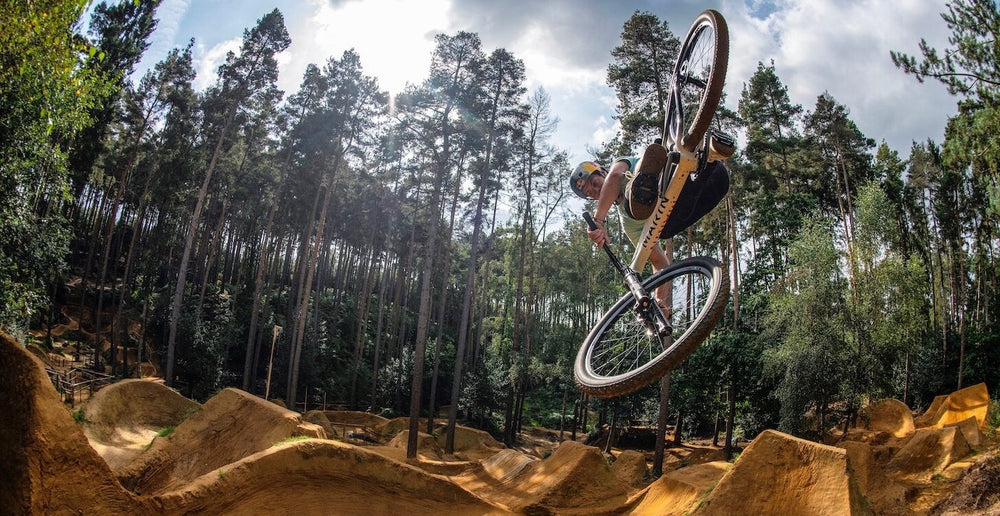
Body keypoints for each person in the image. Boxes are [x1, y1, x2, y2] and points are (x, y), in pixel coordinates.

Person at [568, 138, 731, 303]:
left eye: (595, 183)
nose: (596, 191)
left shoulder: (621, 166)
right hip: (710, 190)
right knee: (662, 230)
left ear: (603, 172)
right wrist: (661, 301)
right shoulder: (628, 224)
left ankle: (647, 179)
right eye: (591, 193)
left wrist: (598, 220)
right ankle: (648, 186)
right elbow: (660, 262)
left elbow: (616, 175)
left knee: (632, 185)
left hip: (697, 173)